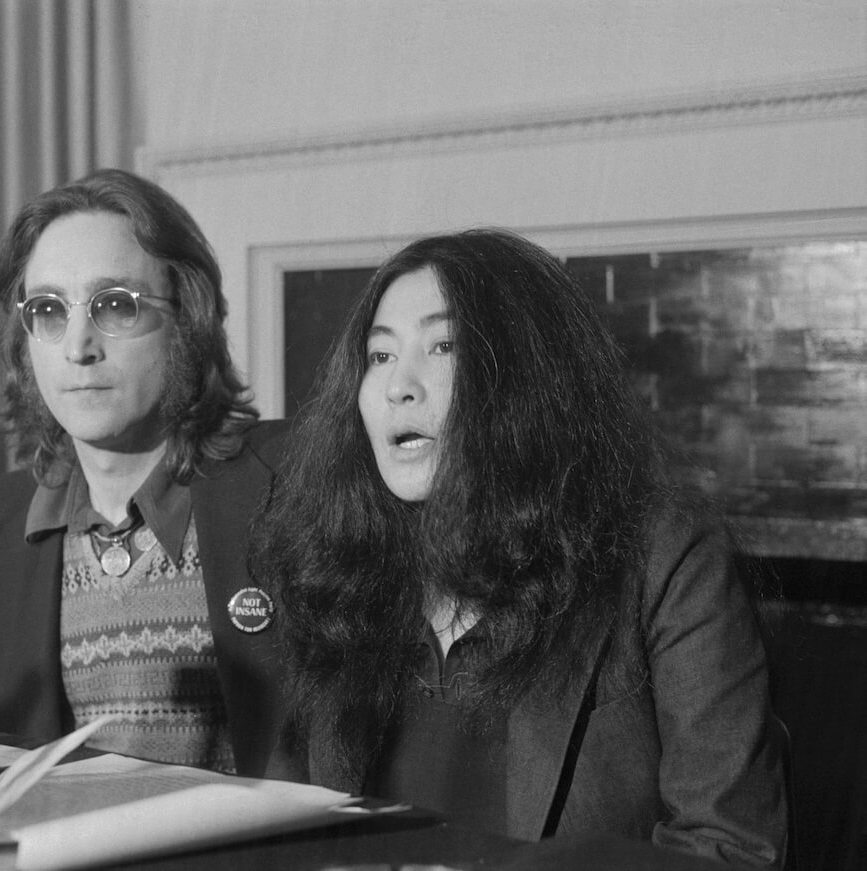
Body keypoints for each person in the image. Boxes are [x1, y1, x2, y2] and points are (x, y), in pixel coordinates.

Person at [250, 229, 787, 866]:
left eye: (443, 345)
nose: (400, 386)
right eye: (380, 356)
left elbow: (729, 849)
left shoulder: (665, 555)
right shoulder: (335, 569)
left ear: (528, 378)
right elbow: (283, 826)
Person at [0, 168, 287, 776]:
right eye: (49, 310)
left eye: (115, 306)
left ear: (189, 319)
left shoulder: (285, 481)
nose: (79, 345)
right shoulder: (9, 511)